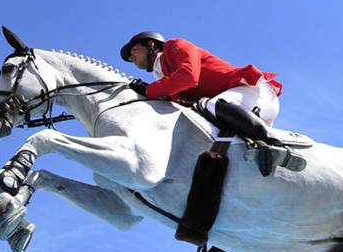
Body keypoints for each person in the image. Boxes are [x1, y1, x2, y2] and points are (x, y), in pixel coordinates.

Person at [120, 31, 288, 169]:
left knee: (212, 104)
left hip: (254, 91)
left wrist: (149, 90)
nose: (131, 57)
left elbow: (189, 77)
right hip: (234, 110)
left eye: (133, 50)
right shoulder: (162, 76)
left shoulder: (174, 46)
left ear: (151, 44)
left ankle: (274, 145)